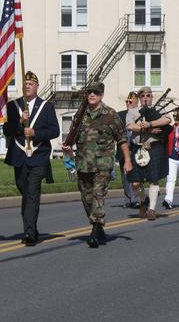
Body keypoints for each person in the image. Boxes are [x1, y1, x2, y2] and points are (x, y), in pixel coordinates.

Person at [62, 82, 133, 248]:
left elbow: (122, 139)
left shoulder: (110, 114)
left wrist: (128, 161)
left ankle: (94, 232)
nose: (92, 95)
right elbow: (73, 139)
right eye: (89, 92)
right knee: (86, 198)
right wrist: (68, 150)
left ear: (101, 95)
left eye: (95, 92)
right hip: (83, 164)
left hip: (102, 164)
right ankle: (99, 227)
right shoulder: (80, 115)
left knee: (97, 195)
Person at [3, 71, 60, 246]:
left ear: (36, 86)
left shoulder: (46, 107)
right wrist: (20, 122)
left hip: (38, 156)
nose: (27, 86)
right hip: (19, 157)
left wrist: (36, 133)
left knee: (33, 193)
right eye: (25, 83)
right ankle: (31, 227)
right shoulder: (14, 106)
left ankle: (29, 233)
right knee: (25, 193)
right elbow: (7, 131)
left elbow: (54, 131)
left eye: (30, 83)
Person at [126, 86, 172, 221]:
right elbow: (130, 126)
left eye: (148, 95)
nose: (146, 98)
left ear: (152, 97)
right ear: (139, 98)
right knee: (135, 182)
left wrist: (150, 123)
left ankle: (151, 209)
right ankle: (143, 200)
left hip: (154, 147)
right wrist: (147, 130)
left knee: (153, 180)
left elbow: (167, 120)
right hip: (138, 148)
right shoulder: (133, 111)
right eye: (143, 96)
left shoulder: (158, 109)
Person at [116, 91, 139, 208]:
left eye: (130, 102)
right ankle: (128, 199)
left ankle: (136, 199)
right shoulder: (120, 115)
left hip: (136, 149)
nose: (128, 103)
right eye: (126, 101)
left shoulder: (140, 114)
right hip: (123, 149)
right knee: (125, 176)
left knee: (136, 176)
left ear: (136, 102)